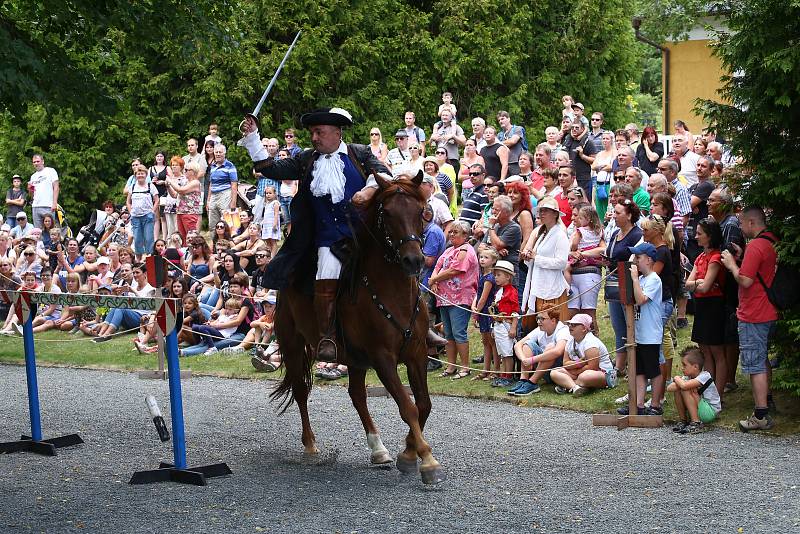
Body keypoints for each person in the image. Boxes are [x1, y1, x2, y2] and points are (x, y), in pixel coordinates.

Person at [238, 107, 389, 362]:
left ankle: (420, 330)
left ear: (337, 133)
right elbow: (270, 168)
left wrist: (369, 191)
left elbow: (385, 175)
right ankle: (328, 336)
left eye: (319, 132)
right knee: (325, 276)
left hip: (365, 236)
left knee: (399, 265)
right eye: (312, 133)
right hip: (327, 240)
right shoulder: (306, 159)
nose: (314, 138)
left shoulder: (359, 153)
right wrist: (253, 136)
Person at [720, 207, 778, 431]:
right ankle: (768, 400)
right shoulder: (771, 240)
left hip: (754, 313)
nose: (740, 228)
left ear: (752, 222)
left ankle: (760, 414)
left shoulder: (756, 245)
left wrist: (732, 264)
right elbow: (759, 270)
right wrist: (743, 258)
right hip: (769, 309)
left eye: (742, 223)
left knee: (755, 365)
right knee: (762, 358)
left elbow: (744, 280)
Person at [617, 243, 664, 415]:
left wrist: (635, 279)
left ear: (649, 260)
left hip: (651, 333)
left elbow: (641, 299)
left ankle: (656, 404)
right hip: (640, 333)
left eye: (639, 257)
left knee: (653, 370)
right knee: (639, 371)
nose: (635, 260)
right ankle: (638, 404)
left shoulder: (653, 279)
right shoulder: (643, 279)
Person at [429, 221, 479, 379]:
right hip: (444, 298)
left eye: (455, 232)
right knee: (448, 333)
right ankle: (451, 366)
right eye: (450, 232)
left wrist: (434, 279)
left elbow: (455, 269)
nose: (451, 234)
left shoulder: (466, 250)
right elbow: (438, 265)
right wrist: (435, 280)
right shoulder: (449, 249)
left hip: (460, 297)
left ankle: (465, 367)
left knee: (459, 332)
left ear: (465, 235)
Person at [685, 217, 728, 399]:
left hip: (714, 305)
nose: (696, 236)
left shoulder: (716, 257)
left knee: (717, 350)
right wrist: (698, 282)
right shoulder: (701, 257)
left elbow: (705, 286)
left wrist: (698, 283)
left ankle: (717, 393)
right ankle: (708, 390)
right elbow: (688, 284)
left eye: (699, 233)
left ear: (709, 236)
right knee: (705, 350)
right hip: (702, 305)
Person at [605, 199, 643, 374]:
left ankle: (633, 363)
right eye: (614, 212)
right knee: (617, 324)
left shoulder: (637, 235)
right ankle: (620, 364)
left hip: (627, 283)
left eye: (618, 212)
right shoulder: (614, 234)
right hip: (612, 283)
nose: (614, 215)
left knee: (630, 323)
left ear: (629, 215)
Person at [520, 196, 570, 325]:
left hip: (553, 287)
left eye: (546, 211)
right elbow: (534, 258)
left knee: (555, 326)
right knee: (542, 325)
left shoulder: (560, 235)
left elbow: (561, 263)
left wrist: (536, 258)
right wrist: (528, 258)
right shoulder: (541, 233)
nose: (542, 213)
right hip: (539, 283)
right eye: (540, 211)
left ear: (555, 214)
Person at [508, 309, 570, 396]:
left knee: (551, 347)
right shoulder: (540, 329)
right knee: (527, 344)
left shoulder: (563, 330)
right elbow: (518, 345)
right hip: (544, 369)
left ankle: (533, 383)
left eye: (542, 319)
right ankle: (523, 380)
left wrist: (532, 360)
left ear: (553, 320)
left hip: (558, 373)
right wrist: (524, 359)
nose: (538, 321)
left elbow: (558, 351)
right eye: (538, 318)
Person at [550, 313, 615, 396]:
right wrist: (579, 363)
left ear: (584, 328)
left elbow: (593, 367)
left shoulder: (591, 342)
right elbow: (565, 363)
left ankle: (567, 385)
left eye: (574, 325)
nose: (570, 326)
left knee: (585, 377)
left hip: (601, 373)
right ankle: (576, 388)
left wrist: (575, 371)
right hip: (580, 371)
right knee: (554, 372)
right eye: (569, 324)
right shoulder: (570, 341)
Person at [566, 204, 605, 325]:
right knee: (572, 311)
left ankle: (593, 338)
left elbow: (603, 249)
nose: (574, 219)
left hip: (588, 273)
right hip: (574, 275)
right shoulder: (596, 232)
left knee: (588, 311)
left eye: (577, 216)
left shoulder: (582, 232)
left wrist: (582, 253)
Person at [668, 346, 722, 434]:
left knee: (685, 389)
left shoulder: (705, 376)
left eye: (684, 365)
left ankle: (696, 423)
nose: (682, 368)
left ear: (695, 367)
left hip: (710, 412)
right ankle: (683, 420)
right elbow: (670, 388)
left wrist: (676, 378)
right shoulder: (687, 377)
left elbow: (685, 386)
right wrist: (680, 382)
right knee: (679, 389)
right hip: (700, 407)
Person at [488, 260, 519, 387]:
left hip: (507, 324)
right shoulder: (499, 291)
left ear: (508, 276)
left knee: (508, 352)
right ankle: (504, 374)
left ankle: (508, 375)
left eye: (499, 275)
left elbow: (516, 311)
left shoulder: (511, 292)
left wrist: (513, 327)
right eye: (495, 275)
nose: (496, 277)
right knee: (502, 351)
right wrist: (493, 327)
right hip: (498, 325)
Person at [471, 247, 499, 381]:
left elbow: (483, 298)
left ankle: (495, 370)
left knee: (492, 342)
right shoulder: (482, 275)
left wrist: (476, 312)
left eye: (486, 257)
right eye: (481, 257)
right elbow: (478, 295)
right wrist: (473, 305)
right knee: (485, 341)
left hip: (488, 311)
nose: (482, 259)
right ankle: (485, 369)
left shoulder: (490, 278)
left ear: (493, 261)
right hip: (482, 311)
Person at [126, 164, 160, 262]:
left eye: (142, 173)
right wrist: (130, 212)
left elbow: (157, 200)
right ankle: (139, 261)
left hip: (147, 216)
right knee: (137, 240)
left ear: (146, 175)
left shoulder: (151, 186)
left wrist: (152, 211)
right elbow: (128, 201)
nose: (140, 175)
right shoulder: (132, 187)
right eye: (138, 174)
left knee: (149, 238)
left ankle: (150, 259)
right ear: (135, 175)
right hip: (135, 217)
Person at [206, 144, 239, 233]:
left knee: (226, 221)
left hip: (225, 194)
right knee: (212, 223)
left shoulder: (230, 166)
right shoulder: (212, 166)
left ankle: (226, 244)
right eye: (216, 152)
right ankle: (214, 244)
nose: (218, 154)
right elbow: (211, 184)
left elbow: (234, 185)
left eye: (220, 152)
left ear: (224, 153)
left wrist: (233, 202)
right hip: (214, 195)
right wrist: (208, 200)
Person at [561, 120, 598, 197]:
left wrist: (582, 156)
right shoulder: (568, 141)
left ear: (582, 129)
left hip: (583, 178)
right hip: (569, 178)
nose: (574, 129)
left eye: (577, 128)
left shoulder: (588, 142)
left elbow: (594, 160)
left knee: (583, 201)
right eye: (572, 128)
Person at [167, 160, 203, 240]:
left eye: (186, 170)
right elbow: (174, 195)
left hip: (190, 213)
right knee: (182, 238)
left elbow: (181, 190)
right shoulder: (185, 182)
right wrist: (168, 186)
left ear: (193, 172)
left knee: (191, 237)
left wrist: (170, 181)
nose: (184, 171)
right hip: (180, 212)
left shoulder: (195, 182)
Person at [29, 154, 60, 229]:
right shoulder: (33, 176)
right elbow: (31, 195)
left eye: (38, 161)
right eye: (34, 162)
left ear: (42, 161)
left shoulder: (50, 171)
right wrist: (30, 189)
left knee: (51, 230)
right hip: (36, 206)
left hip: (48, 205)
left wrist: (54, 203)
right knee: (38, 231)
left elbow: (56, 187)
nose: (36, 163)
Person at [430, 109, 465, 174]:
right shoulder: (438, 128)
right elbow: (430, 145)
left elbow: (464, 142)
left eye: (446, 115)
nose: (444, 117)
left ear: (451, 117)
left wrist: (453, 136)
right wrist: (432, 138)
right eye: (443, 115)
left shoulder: (456, 128)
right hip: (439, 160)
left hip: (452, 160)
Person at [591, 132, 616, 221]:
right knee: (599, 207)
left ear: (612, 140)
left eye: (607, 139)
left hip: (608, 183)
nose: (605, 141)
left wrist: (600, 167)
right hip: (599, 184)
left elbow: (612, 166)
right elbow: (593, 166)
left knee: (608, 206)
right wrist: (603, 166)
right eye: (603, 138)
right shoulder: (600, 154)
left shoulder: (614, 152)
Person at [496, 111, 527, 175]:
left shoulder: (517, 129)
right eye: (499, 120)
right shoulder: (500, 135)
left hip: (517, 162)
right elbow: (496, 147)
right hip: (504, 164)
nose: (500, 121)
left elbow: (513, 141)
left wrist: (500, 144)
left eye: (502, 119)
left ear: (508, 119)